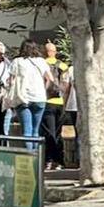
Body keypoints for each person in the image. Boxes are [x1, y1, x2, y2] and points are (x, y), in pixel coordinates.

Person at [12, 40, 54, 153]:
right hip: (40, 98)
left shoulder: (17, 61)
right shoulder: (41, 61)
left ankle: (29, 156)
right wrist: (43, 89)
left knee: (26, 130)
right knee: (35, 130)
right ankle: (37, 157)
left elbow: (10, 80)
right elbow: (50, 78)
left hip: (23, 98)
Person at [41, 41, 69, 170]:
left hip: (47, 102)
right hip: (60, 103)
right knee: (58, 133)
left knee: (49, 133)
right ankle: (60, 161)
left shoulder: (41, 64)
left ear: (44, 52)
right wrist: (65, 101)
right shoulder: (63, 65)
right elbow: (66, 85)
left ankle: (49, 160)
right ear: (55, 52)